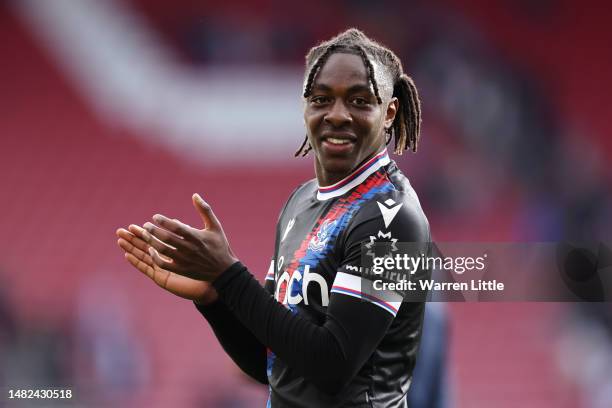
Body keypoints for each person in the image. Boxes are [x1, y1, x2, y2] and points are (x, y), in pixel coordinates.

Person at [116, 28, 431, 408]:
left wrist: (230, 276)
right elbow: (269, 363)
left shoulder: (394, 217)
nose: (337, 115)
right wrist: (214, 298)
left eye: (360, 101)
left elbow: (332, 365)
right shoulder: (301, 202)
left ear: (389, 113)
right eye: (321, 99)